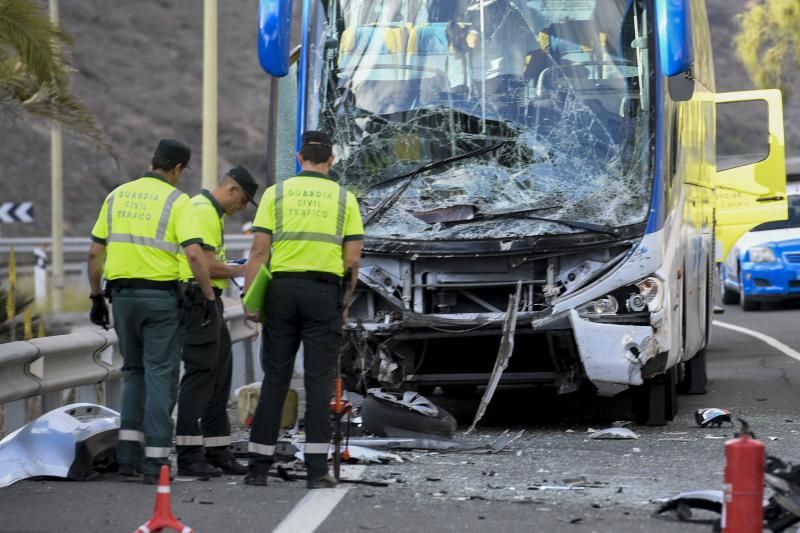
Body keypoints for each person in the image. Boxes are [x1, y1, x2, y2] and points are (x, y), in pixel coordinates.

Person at [87, 139, 217, 484]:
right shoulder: (178, 201)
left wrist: (96, 296)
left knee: (132, 371)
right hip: (160, 300)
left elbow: (94, 253)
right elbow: (193, 255)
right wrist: (208, 296)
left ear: (154, 160)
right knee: (160, 374)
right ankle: (156, 462)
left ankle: (127, 457)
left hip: (122, 298)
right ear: (177, 169)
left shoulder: (117, 195)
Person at [242, 130, 364, 489]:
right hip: (322, 295)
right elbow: (352, 260)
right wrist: (343, 304)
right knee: (318, 382)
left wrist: (252, 300)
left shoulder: (275, 194)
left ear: (299, 158)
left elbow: (260, 252)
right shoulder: (345, 199)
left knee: (275, 380)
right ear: (331, 160)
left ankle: (258, 468)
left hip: (280, 292)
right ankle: (315, 471)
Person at [174, 165, 260, 478]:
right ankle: (187, 453)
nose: (241, 208)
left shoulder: (212, 213)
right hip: (198, 302)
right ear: (232, 190)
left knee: (220, 377)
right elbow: (206, 264)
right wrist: (243, 270)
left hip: (210, 303)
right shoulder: (202, 210)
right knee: (200, 378)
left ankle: (217, 449)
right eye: (243, 201)